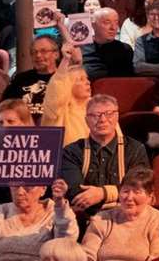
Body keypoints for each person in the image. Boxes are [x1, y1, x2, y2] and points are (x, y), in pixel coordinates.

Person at [61, 93, 152, 227]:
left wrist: (103, 193)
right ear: (86, 120)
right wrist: (117, 193)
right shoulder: (72, 151)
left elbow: (139, 188)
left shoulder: (135, 149)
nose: (102, 120)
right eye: (95, 115)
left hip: (127, 219)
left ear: (116, 117)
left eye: (108, 114)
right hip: (87, 220)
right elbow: (76, 193)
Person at [79, 168, 159, 261]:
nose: (129, 198)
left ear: (150, 197)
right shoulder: (102, 218)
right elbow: (87, 257)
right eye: (125, 191)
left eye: (137, 192)